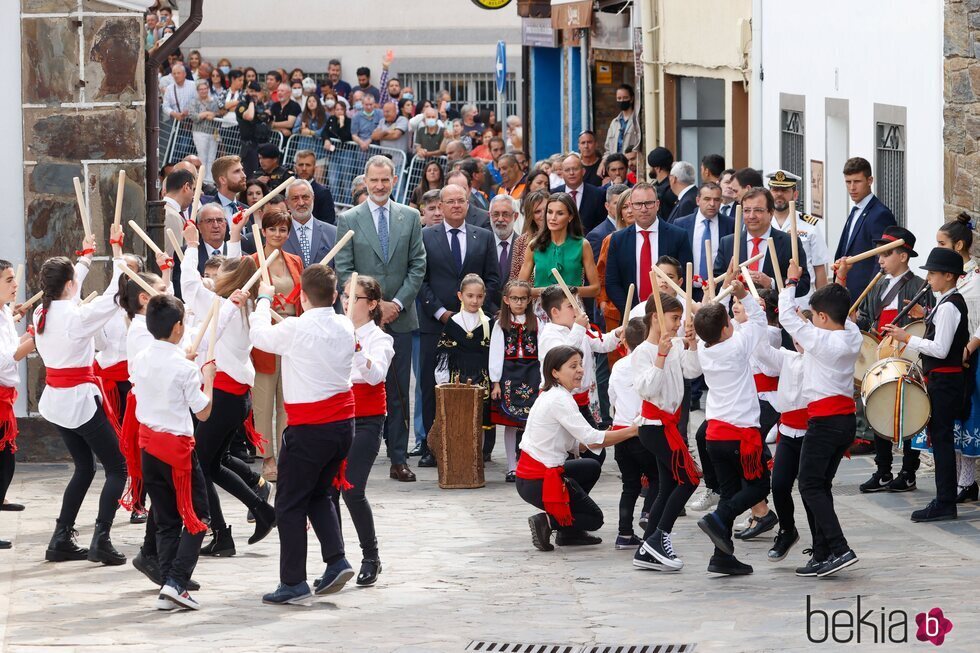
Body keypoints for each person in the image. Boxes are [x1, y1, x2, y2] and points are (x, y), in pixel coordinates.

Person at [251, 265, 357, 604]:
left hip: (311, 428)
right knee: (318, 494)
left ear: (301, 296)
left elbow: (259, 337)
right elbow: (299, 333)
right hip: (342, 426)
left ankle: (293, 580)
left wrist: (263, 301)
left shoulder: (297, 328)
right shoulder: (344, 324)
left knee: (289, 503)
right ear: (337, 295)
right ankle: (336, 560)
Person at [179, 223, 277, 557]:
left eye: (223, 271)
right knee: (213, 461)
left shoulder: (225, 308)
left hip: (222, 396)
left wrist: (192, 246)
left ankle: (222, 533)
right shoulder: (245, 307)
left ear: (230, 280)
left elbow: (190, 285)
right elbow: (241, 271)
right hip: (234, 396)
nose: (217, 274)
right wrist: (235, 239)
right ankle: (259, 510)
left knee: (201, 465)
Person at [36, 229, 128, 565]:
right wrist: (117, 251)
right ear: (71, 285)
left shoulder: (41, 311)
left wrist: (86, 258)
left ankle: (61, 538)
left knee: (85, 468)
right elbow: (115, 294)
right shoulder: (76, 317)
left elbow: (67, 291)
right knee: (119, 467)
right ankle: (101, 539)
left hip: (56, 401)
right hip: (78, 401)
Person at [335, 156, 426, 482]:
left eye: (385, 180)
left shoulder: (411, 217)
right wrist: (374, 307)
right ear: (365, 180)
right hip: (362, 321)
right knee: (357, 386)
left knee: (399, 391)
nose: (379, 186)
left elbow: (418, 265)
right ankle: (353, 456)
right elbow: (344, 270)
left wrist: (396, 304)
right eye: (373, 180)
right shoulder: (349, 219)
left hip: (400, 318)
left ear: (394, 179)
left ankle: (398, 458)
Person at [129, 295, 215, 611]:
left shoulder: (141, 358)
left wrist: (189, 367)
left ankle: (168, 583)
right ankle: (177, 581)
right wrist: (208, 379)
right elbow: (203, 412)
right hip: (177, 449)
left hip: (149, 447)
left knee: (165, 519)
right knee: (198, 517)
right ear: (178, 327)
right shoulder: (182, 367)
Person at [778, 266, 862, 577]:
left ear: (823, 318)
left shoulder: (823, 342)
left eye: (814, 316)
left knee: (810, 485)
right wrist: (838, 283)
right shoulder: (850, 335)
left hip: (825, 422)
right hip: (843, 421)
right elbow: (844, 317)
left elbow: (786, 317)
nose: (810, 320)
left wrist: (790, 281)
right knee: (820, 485)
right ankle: (824, 552)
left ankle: (840, 549)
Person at [515, 345, 638, 551]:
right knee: (594, 519)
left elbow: (579, 443)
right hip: (539, 480)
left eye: (581, 364)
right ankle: (548, 522)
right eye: (573, 366)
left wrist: (610, 434)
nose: (580, 370)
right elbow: (591, 438)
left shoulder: (555, 394)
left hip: (535, 476)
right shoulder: (559, 399)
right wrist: (632, 431)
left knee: (590, 465)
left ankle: (568, 533)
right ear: (555, 372)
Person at [882, 248, 969, 523]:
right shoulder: (944, 305)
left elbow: (941, 349)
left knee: (942, 441)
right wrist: (927, 313)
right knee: (941, 440)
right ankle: (944, 499)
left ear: (948, 275)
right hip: (943, 380)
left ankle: (945, 501)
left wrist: (905, 337)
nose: (928, 279)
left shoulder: (951, 306)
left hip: (946, 381)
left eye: (933, 274)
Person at [416, 185, 500, 466]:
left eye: (460, 201)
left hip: (477, 327)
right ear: (439, 205)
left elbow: (493, 279)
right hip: (436, 323)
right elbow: (421, 279)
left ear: (468, 204)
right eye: (449, 201)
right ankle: (433, 446)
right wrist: (441, 313)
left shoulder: (484, 236)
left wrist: (476, 314)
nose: (455, 205)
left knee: (478, 382)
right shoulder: (426, 236)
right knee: (432, 385)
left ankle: (480, 446)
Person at [692, 280, 770, 576]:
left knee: (729, 492)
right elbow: (759, 320)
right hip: (740, 433)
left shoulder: (703, 348)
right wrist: (743, 293)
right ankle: (719, 517)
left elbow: (706, 323)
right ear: (727, 328)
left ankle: (721, 558)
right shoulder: (737, 346)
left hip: (715, 434)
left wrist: (710, 301)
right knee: (761, 486)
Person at [845, 226, 931, 493]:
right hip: (880, 358)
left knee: (909, 412)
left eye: (886, 254)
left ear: (903, 256)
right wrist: (858, 322)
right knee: (878, 409)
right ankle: (883, 470)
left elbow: (927, 324)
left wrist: (921, 316)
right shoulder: (878, 285)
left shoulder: (920, 286)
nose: (880, 260)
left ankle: (908, 471)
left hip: (907, 359)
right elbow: (870, 319)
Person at [630, 296, 703, 571]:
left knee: (670, 484)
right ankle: (660, 538)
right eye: (673, 318)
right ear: (655, 319)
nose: (677, 324)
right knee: (689, 479)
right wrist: (660, 356)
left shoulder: (673, 346)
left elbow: (693, 370)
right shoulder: (642, 352)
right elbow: (647, 389)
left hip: (669, 426)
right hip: (654, 427)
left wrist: (692, 343)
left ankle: (648, 545)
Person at [338, 275, 393, 586]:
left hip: (367, 421)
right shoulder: (337, 330)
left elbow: (375, 376)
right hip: (336, 418)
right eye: (345, 295)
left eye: (354, 297)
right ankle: (336, 559)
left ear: (371, 304)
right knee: (327, 492)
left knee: (352, 489)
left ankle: (370, 556)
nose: (347, 302)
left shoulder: (381, 339)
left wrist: (356, 346)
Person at [752, 309, 811, 563]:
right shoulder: (787, 358)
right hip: (788, 431)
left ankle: (822, 542)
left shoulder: (825, 359)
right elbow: (761, 350)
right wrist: (754, 312)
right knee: (779, 485)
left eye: (804, 334)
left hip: (814, 431)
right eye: (795, 335)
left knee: (812, 489)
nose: (799, 340)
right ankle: (787, 530)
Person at [608, 317, 661, 552]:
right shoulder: (651, 365)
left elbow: (611, 397)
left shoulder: (619, 366)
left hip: (620, 431)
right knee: (658, 478)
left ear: (626, 342)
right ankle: (649, 513)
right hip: (642, 431)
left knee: (629, 486)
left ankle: (624, 533)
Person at [537, 286, 621, 429]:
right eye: (571, 306)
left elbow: (601, 343)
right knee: (569, 447)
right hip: (559, 401)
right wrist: (579, 328)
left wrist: (617, 335)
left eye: (579, 304)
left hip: (582, 400)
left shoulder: (578, 329)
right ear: (555, 312)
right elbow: (563, 356)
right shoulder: (549, 335)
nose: (578, 310)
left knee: (594, 449)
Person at [605, 182, 693, 314]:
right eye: (638, 204)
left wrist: (668, 309)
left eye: (649, 203)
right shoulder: (618, 240)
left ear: (657, 204)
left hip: (669, 314)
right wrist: (632, 312)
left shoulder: (678, 236)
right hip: (632, 318)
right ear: (630, 206)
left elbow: (685, 277)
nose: (644, 209)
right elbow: (612, 283)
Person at [434, 274, 496, 458]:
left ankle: (478, 457)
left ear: (484, 296)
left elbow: (495, 354)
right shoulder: (453, 322)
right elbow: (443, 354)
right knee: (459, 418)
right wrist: (443, 383)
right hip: (457, 378)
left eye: (479, 296)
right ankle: (460, 458)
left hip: (482, 378)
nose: (474, 300)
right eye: (470, 296)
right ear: (460, 296)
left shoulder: (489, 323)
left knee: (480, 420)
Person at [712, 188, 810, 301]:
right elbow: (716, 282)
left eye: (758, 210)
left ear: (771, 213)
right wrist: (731, 283)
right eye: (747, 210)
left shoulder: (789, 242)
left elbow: (804, 285)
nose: (752, 216)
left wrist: (771, 283)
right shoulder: (728, 243)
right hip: (737, 313)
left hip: (773, 315)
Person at [942, 214, 980, 502]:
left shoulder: (976, 278)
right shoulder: (949, 277)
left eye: (942, 243)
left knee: (969, 414)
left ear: (958, 246)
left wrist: (968, 348)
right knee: (955, 416)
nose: (938, 248)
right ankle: (958, 480)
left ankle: (967, 481)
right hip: (953, 354)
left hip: (971, 355)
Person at [489, 279, 539, 482]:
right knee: (510, 423)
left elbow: (543, 352)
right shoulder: (501, 323)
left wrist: (545, 378)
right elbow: (495, 353)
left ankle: (529, 464)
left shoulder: (537, 323)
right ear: (506, 300)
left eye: (523, 298)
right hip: (510, 374)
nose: (519, 302)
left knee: (531, 422)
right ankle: (512, 466)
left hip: (532, 374)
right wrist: (496, 382)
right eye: (515, 298)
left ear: (529, 300)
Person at [0, 261, 34, 549]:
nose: (15, 284)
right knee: (4, 463)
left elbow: (11, 346)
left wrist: (28, 336)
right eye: (9, 279)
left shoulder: (3, 313)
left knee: (6, 462)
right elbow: (5, 359)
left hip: (4, 396)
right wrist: (33, 340)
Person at [833, 157, 897, 301]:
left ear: (870, 181)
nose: (852, 188)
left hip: (862, 296)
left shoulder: (880, 214)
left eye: (857, 181)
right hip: (846, 291)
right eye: (848, 182)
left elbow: (881, 259)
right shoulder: (856, 209)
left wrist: (869, 298)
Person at [518, 193, 601, 306]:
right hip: (541, 310)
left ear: (570, 217)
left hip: (572, 308)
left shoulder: (582, 245)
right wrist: (546, 291)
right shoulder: (534, 245)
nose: (553, 218)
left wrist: (568, 290)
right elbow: (520, 289)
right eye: (550, 212)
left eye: (560, 213)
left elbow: (595, 289)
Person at [766, 169, 830, 303]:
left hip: (800, 297)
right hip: (768, 295)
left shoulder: (809, 225)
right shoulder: (761, 223)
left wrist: (821, 305)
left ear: (795, 195)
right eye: (775, 190)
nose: (779, 195)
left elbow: (819, 268)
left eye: (784, 191)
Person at [673, 182, 734, 301]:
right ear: (697, 200)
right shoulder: (681, 224)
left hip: (719, 291)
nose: (712, 204)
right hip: (688, 291)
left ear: (721, 201)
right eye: (707, 199)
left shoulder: (731, 224)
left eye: (716, 200)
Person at [552, 155, 606, 233]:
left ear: (583, 171)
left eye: (575, 169)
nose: (571, 173)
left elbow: (601, 225)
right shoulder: (554, 194)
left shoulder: (598, 195)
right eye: (567, 170)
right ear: (562, 174)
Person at [187, 79, 222, 184]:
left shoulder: (214, 100)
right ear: (197, 90)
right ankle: (202, 179)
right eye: (201, 89)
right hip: (199, 132)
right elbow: (193, 116)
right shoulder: (194, 101)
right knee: (202, 156)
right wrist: (205, 114)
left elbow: (219, 112)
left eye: (205, 88)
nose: (203, 91)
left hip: (213, 131)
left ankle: (210, 179)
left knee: (212, 156)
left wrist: (213, 114)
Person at [509, 190, 547, 281]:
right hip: (528, 293)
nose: (544, 215)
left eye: (547, 210)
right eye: (537, 212)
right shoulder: (521, 242)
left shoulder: (564, 238)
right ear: (531, 216)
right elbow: (514, 279)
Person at [292, 150, 337, 225]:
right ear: (295, 167)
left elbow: (328, 221)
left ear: (314, 167)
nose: (304, 168)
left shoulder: (323, 193)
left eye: (308, 165)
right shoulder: (287, 189)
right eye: (300, 165)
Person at [604, 84, 641, 155]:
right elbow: (608, 148)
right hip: (615, 163)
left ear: (631, 99)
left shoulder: (637, 120)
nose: (622, 101)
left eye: (625, 98)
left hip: (631, 162)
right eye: (619, 98)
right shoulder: (614, 123)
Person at [647, 147, 676, 222]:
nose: (650, 169)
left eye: (651, 167)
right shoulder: (673, 185)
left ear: (657, 168)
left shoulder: (669, 189)